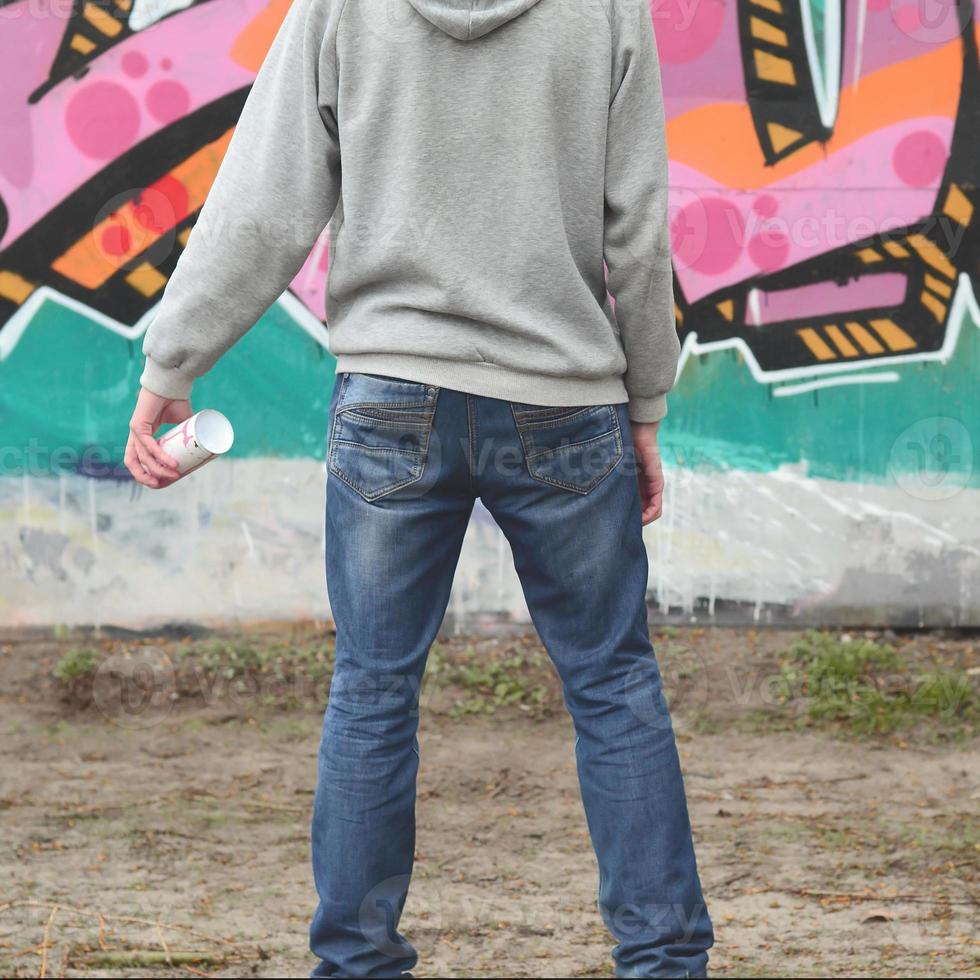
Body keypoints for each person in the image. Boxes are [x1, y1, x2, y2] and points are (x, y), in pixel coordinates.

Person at [125, 0, 714, 975]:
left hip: (390, 392)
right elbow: (640, 233)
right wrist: (643, 401)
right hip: (562, 399)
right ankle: (662, 959)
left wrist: (172, 362)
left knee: (371, 688)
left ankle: (353, 961)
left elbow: (265, 202)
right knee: (612, 683)